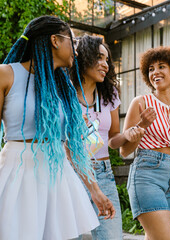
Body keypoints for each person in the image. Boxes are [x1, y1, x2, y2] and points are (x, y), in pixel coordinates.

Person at [0, 15, 112, 239]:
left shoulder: (64, 87)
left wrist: (95, 191)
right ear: (55, 40)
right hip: (17, 173)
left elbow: (73, 147)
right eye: (72, 41)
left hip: (58, 177)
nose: (77, 51)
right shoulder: (5, 74)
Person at [120, 46, 170, 240]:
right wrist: (141, 126)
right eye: (150, 69)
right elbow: (124, 150)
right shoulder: (140, 102)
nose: (155, 72)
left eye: (161, 67)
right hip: (146, 174)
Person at [70, 34, 145, 240]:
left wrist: (128, 135)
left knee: (111, 235)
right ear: (83, 57)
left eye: (107, 60)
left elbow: (112, 140)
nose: (105, 65)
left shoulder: (110, 94)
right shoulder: (64, 93)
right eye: (99, 58)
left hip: (103, 173)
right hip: (70, 172)